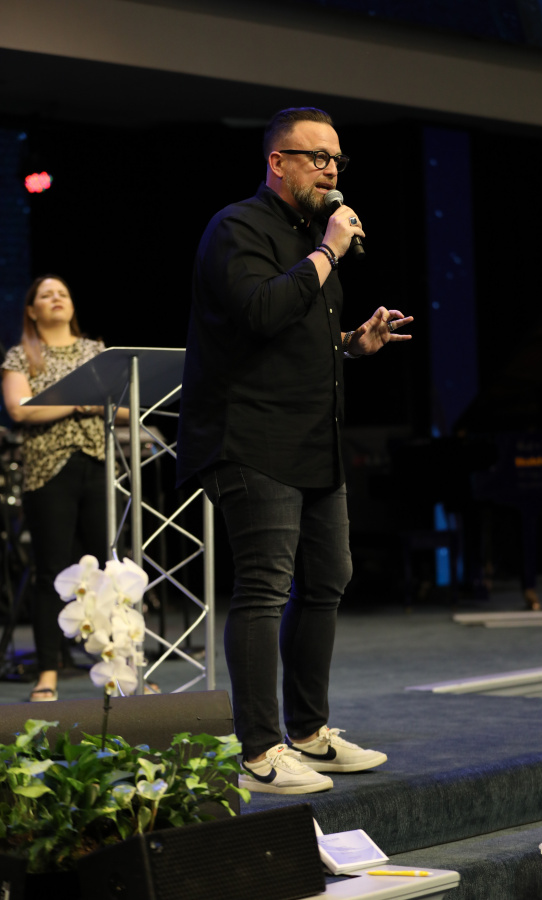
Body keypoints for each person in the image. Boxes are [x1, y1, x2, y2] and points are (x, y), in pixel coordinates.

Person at [177, 107, 413, 794]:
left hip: (313, 439)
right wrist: (330, 252)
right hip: (252, 438)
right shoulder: (236, 228)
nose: (331, 171)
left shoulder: (312, 238)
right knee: (263, 587)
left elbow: (294, 333)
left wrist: (352, 344)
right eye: (316, 157)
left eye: (337, 159)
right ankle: (258, 752)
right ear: (277, 162)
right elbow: (257, 313)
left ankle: (309, 735)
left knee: (328, 578)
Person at [1, 275, 114, 702]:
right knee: (51, 570)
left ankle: (118, 665)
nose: (56, 298)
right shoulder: (21, 355)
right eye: (46, 295)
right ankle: (47, 672)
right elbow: (19, 409)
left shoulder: (96, 352)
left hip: (98, 465)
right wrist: (76, 402)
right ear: (32, 311)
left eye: (62, 293)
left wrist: (101, 404)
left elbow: (124, 406)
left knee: (107, 568)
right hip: (47, 471)